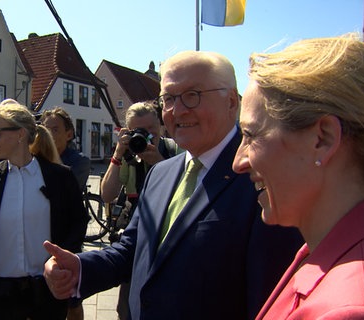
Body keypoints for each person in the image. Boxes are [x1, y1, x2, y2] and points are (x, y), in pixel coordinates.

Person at [43, 51, 303, 319]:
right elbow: (132, 250)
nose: (177, 110)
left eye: (193, 95)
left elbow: (271, 300)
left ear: (232, 103)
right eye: (168, 99)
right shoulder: (160, 173)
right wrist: (80, 267)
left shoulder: (263, 180)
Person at [232, 35, 364, 319]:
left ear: (323, 139)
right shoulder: (335, 246)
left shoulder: (353, 309)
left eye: (251, 135)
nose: (238, 162)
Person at [0, 99, 89, 320]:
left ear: (20, 134)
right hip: (0, 296)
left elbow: (78, 223)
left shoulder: (59, 177)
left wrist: (61, 261)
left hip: (46, 294)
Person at [99, 101, 178, 319]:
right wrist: (118, 153)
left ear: (160, 128)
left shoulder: (175, 151)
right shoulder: (128, 154)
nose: (144, 137)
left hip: (167, 238)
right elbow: (107, 194)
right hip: (135, 240)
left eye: (150, 131)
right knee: (126, 309)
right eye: (137, 131)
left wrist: (160, 163)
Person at [40, 107, 90, 320]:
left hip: (67, 238)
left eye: (56, 129)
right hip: (43, 239)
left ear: (69, 134)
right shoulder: (37, 159)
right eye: (46, 128)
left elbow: (61, 193)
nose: (50, 133)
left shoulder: (78, 161)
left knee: (72, 303)